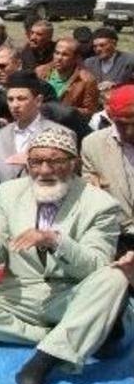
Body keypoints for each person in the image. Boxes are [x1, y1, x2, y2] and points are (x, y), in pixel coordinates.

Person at [0, 127, 124, 384]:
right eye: (36, 162)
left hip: (70, 296)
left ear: (74, 163)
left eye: (54, 162)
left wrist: (54, 240)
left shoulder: (100, 204)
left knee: (114, 278)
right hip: (21, 296)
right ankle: (73, 334)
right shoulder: (9, 192)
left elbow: (96, 266)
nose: (44, 170)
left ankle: (44, 360)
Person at [0, 72, 73, 183]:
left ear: (38, 101)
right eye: (10, 99)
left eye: (21, 99)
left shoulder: (61, 133)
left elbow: (69, 175)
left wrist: (35, 163)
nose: (15, 105)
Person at [81, 85, 134, 257]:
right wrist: (90, 186)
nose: (130, 131)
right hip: (118, 239)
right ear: (110, 116)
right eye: (122, 124)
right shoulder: (93, 144)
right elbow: (89, 183)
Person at [35, 37, 99, 119]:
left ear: (75, 58)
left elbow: (89, 111)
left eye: (65, 55)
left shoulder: (87, 80)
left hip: (67, 123)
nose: (59, 58)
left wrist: (64, 111)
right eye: (57, 53)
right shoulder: (40, 72)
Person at [83, 27, 134, 93]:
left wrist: (116, 85)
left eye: (102, 45)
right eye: (95, 46)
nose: (98, 49)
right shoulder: (89, 63)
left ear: (114, 44)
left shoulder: (129, 61)